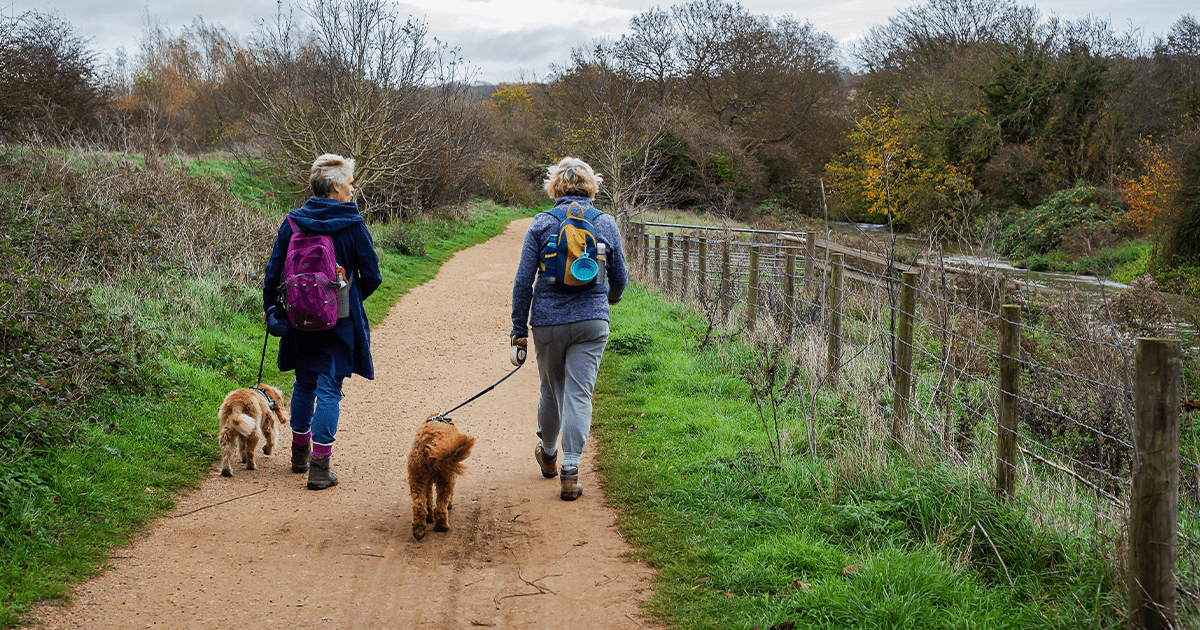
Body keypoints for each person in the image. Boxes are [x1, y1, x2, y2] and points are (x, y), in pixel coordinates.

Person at [510, 157, 627, 501]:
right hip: (592, 321)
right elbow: (619, 277)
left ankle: (548, 454)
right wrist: (611, 299)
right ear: (592, 186)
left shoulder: (541, 223)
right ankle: (571, 470)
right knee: (579, 394)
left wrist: (519, 327)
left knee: (550, 390)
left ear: (555, 187)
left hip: (547, 321)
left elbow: (522, 282)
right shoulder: (605, 222)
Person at [263, 154, 383, 490]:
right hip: (340, 320)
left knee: (305, 383)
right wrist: (345, 300)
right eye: (349, 183)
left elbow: (273, 273)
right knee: (330, 388)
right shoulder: (353, 224)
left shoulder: (293, 222)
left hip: (299, 317)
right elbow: (372, 275)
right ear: (334, 186)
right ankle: (320, 467)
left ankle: (299, 455)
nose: (352, 189)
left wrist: (273, 309)